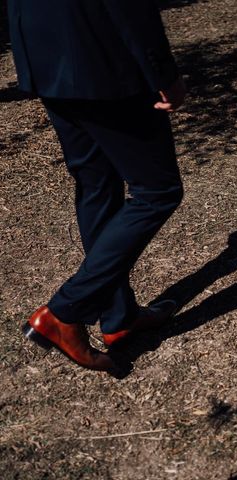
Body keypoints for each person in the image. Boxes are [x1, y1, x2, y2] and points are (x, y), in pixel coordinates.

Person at [8, 0, 186, 373]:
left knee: (97, 184)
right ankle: (65, 312)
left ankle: (118, 316)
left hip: (44, 54)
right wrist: (162, 72)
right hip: (102, 61)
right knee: (157, 191)